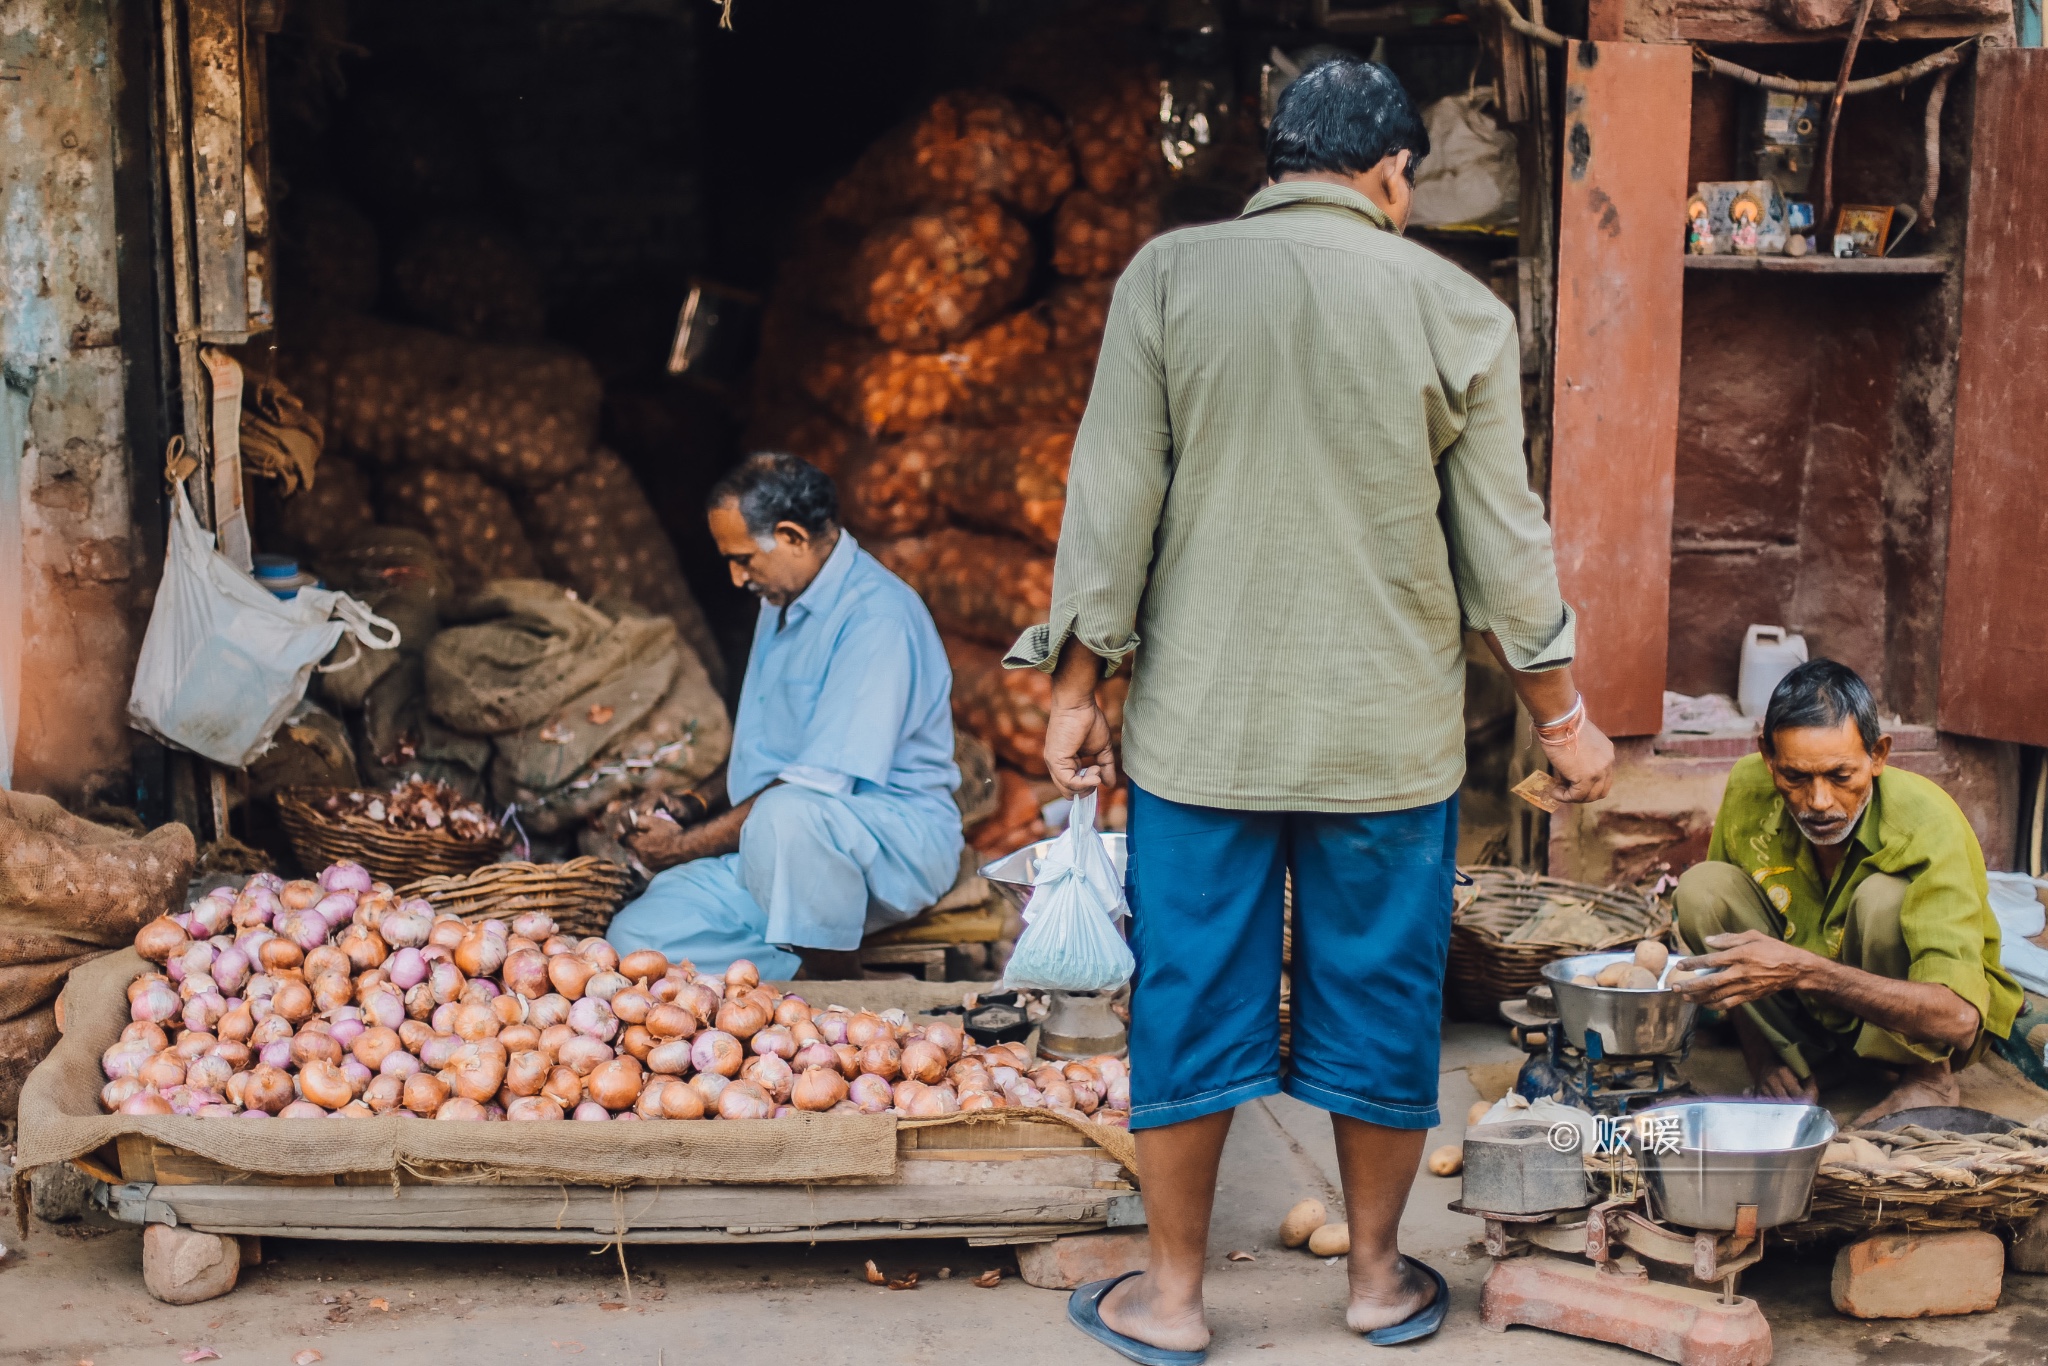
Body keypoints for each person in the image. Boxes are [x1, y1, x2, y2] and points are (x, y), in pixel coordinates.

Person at [1009, 59, 1614, 1362]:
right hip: (1384, 745)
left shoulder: (1167, 280)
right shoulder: (1455, 311)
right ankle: (1380, 1282)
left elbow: (1111, 501)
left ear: (1275, 166)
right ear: (1393, 174)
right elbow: (1506, 548)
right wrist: (1562, 716)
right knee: (1382, 1000)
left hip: (1200, 736)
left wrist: (1078, 687)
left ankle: (1171, 1299)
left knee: (1189, 997)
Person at [604, 452, 963, 981]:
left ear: (793, 537)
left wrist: (682, 847)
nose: (734, 577)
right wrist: (691, 802)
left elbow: (813, 786)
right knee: (634, 941)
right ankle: (803, 982)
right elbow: (764, 751)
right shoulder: (781, 599)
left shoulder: (876, 618)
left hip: (892, 844)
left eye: (744, 558)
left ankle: (837, 982)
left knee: (787, 814)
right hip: (778, 843)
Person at [1673, 659, 2021, 1125]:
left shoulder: (1928, 821)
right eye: (1795, 777)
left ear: (1878, 756)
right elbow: (1734, 953)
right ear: (1768, 757)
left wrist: (1806, 971)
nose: (1819, 802)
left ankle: (1926, 1077)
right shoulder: (1747, 786)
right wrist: (1762, 1059)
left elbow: (1958, 1020)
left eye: (1841, 776)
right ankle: (1800, 1059)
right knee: (1702, 890)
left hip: (1911, 1027)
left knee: (1882, 901)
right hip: (1810, 1015)